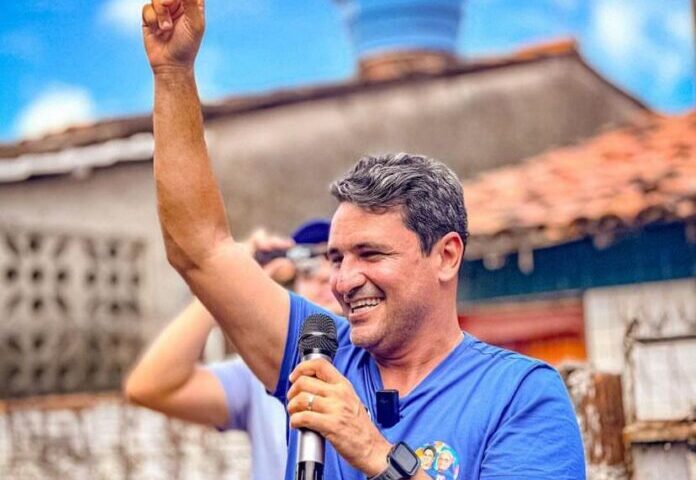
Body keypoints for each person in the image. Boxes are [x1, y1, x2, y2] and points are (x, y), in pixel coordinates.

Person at [139, 1, 586, 479]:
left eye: (371, 253)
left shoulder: (519, 395)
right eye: (336, 258)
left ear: (446, 255)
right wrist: (173, 72)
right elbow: (201, 250)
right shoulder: (317, 354)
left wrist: (375, 453)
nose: (345, 280)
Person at [124, 220, 340, 480]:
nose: (323, 276)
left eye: (337, 262)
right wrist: (226, 284)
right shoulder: (263, 371)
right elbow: (149, 387)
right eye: (308, 269)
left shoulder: (383, 366)